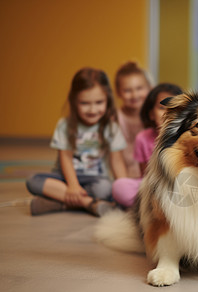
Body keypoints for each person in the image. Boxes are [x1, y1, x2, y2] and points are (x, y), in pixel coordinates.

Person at [26, 67, 127, 217]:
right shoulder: (65, 125)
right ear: (74, 101)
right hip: (65, 179)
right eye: (85, 103)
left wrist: (124, 189)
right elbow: (65, 157)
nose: (92, 109)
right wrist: (73, 185)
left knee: (105, 189)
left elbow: (117, 161)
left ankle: (59, 203)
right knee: (32, 180)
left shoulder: (111, 128)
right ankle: (88, 204)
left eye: (99, 102)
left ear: (107, 100)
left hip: (95, 180)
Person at [112, 83, 183, 208]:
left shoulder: (186, 137)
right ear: (151, 114)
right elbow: (145, 175)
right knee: (120, 186)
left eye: (174, 109)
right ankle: (154, 205)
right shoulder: (143, 138)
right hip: (153, 188)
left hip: (180, 186)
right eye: (162, 108)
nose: (168, 113)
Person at [115, 61, 153, 178]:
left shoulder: (154, 116)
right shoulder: (116, 118)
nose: (134, 95)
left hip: (150, 173)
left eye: (139, 88)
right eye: (127, 90)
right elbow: (116, 157)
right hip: (123, 172)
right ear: (118, 92)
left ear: (149, 88)